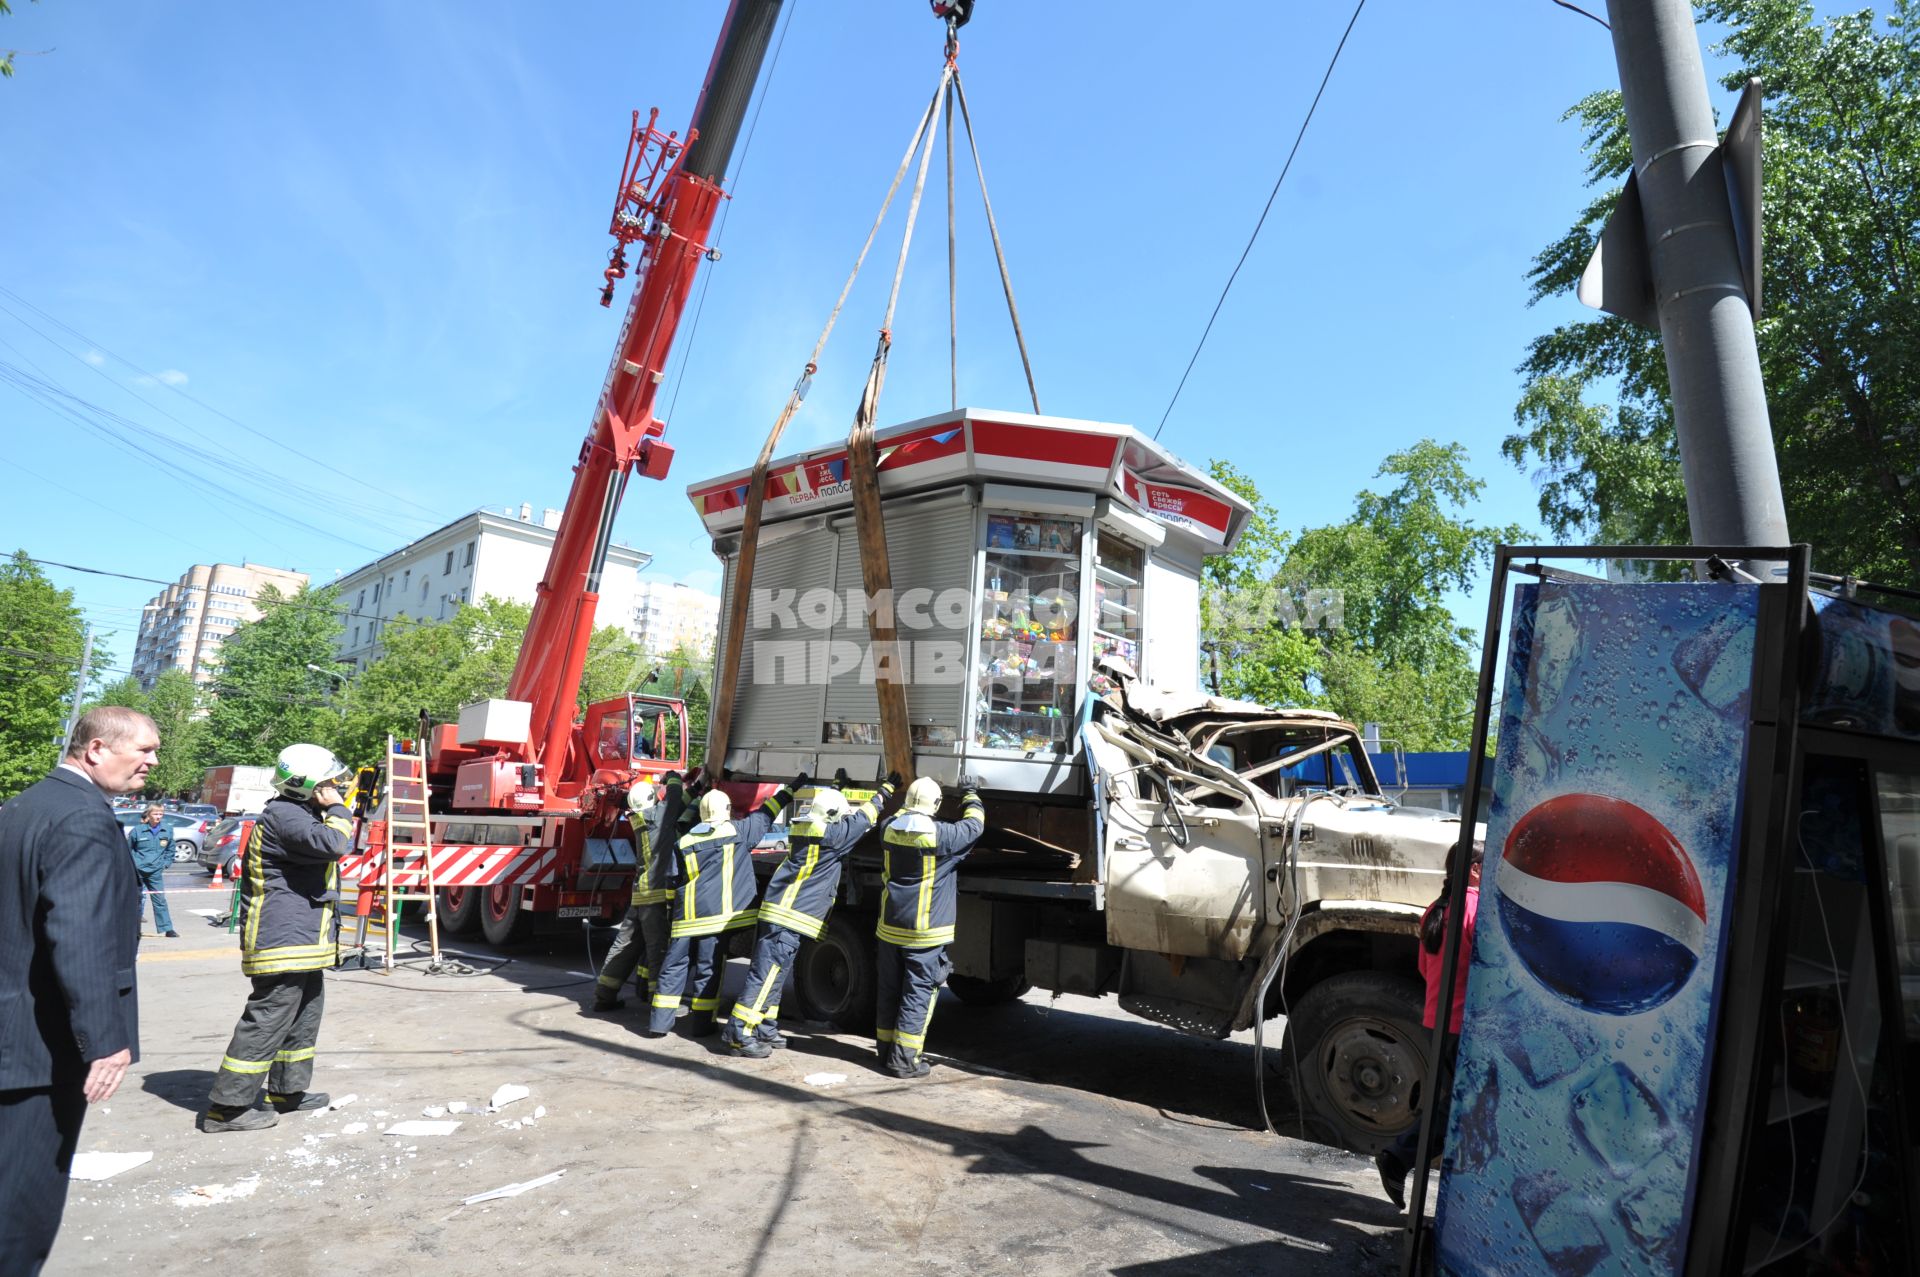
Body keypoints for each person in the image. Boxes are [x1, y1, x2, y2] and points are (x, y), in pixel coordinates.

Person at [0, 706, 154, 1275]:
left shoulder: (27, 803)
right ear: (95, 750)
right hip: (40, 1050)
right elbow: (79, 937)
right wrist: (104, 1040)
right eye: (143, 749)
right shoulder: (83, 818)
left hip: (11, 1035)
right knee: (21, 1209)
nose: (152, 762)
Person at [200, 743, 354, 1134]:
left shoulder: (298, 813)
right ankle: (228, 1107)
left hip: (302, 938)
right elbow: (334, 844)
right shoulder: (286, 814)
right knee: (269, 1018)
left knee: (304, 1013)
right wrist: (337, 809)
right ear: (308, 786)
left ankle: (288, 1091)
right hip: (282, 939)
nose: (336, 787)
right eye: (328, 783)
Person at [724, 769, 900, 1058]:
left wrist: (836, 788)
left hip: (780, 913)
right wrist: (886, 791)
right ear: (833, 816)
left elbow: (830, 811)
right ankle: (738, 1032)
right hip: (788, 918)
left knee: (775, 976)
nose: (843, 821)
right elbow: (864, 818)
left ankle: (765, 1026)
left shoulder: (805, 828)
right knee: (765, 976)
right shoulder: (833, 837)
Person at [645, 772, 798, 1038]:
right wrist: (791, 789)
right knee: (709, 969)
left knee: (674, 967)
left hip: (686, 918)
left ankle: (658, 1024)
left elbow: (672, 880)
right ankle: (702, 1025)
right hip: (719, 918)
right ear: (727, 810)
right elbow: (767, 812)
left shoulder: (685, 842)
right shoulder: (738, 832)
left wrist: (672, 914)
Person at [1375, 840, 1482, 1210]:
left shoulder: (1435, 910)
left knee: (1450, 1104)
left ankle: (1402, 1158)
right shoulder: (1477, 909)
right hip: (1462, 1026)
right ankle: (1398, 1157)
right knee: (1456, 1108)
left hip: (1436, 1021)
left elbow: (1424, 968)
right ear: (1475, 870)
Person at [874, 775, 985, 1079]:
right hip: (924, 932)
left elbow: (897, 815)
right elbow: (975, 825)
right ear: (935, 805)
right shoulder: (943, 835)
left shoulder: (887, 830)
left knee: (889, 991)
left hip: (889, 927)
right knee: (917, 994)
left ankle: (885, 1053)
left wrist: (892, 790)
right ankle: (904, 1061)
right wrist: (970, 793)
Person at [587, 776, 678, 1013]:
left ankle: (604, 995)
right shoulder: (658, 818)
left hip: (639, 894)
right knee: (658, 950)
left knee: (623, 946)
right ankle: (660, 1005)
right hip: (655, 896)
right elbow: (676, 797)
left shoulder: (638, 819)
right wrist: (675, 779)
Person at [126, 804, 180, 939]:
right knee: (135, 900)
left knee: (160, 900)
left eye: (160, 814)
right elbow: (128, 849)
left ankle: (168, 929)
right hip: (138, 871)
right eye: (155, 814)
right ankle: (132, 929)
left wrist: (165, 864)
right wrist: (132, 865)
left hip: (155, 871)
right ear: (149, 815)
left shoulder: (167, 830)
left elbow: (171, 849)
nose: (158, 817)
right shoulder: (138, 831)